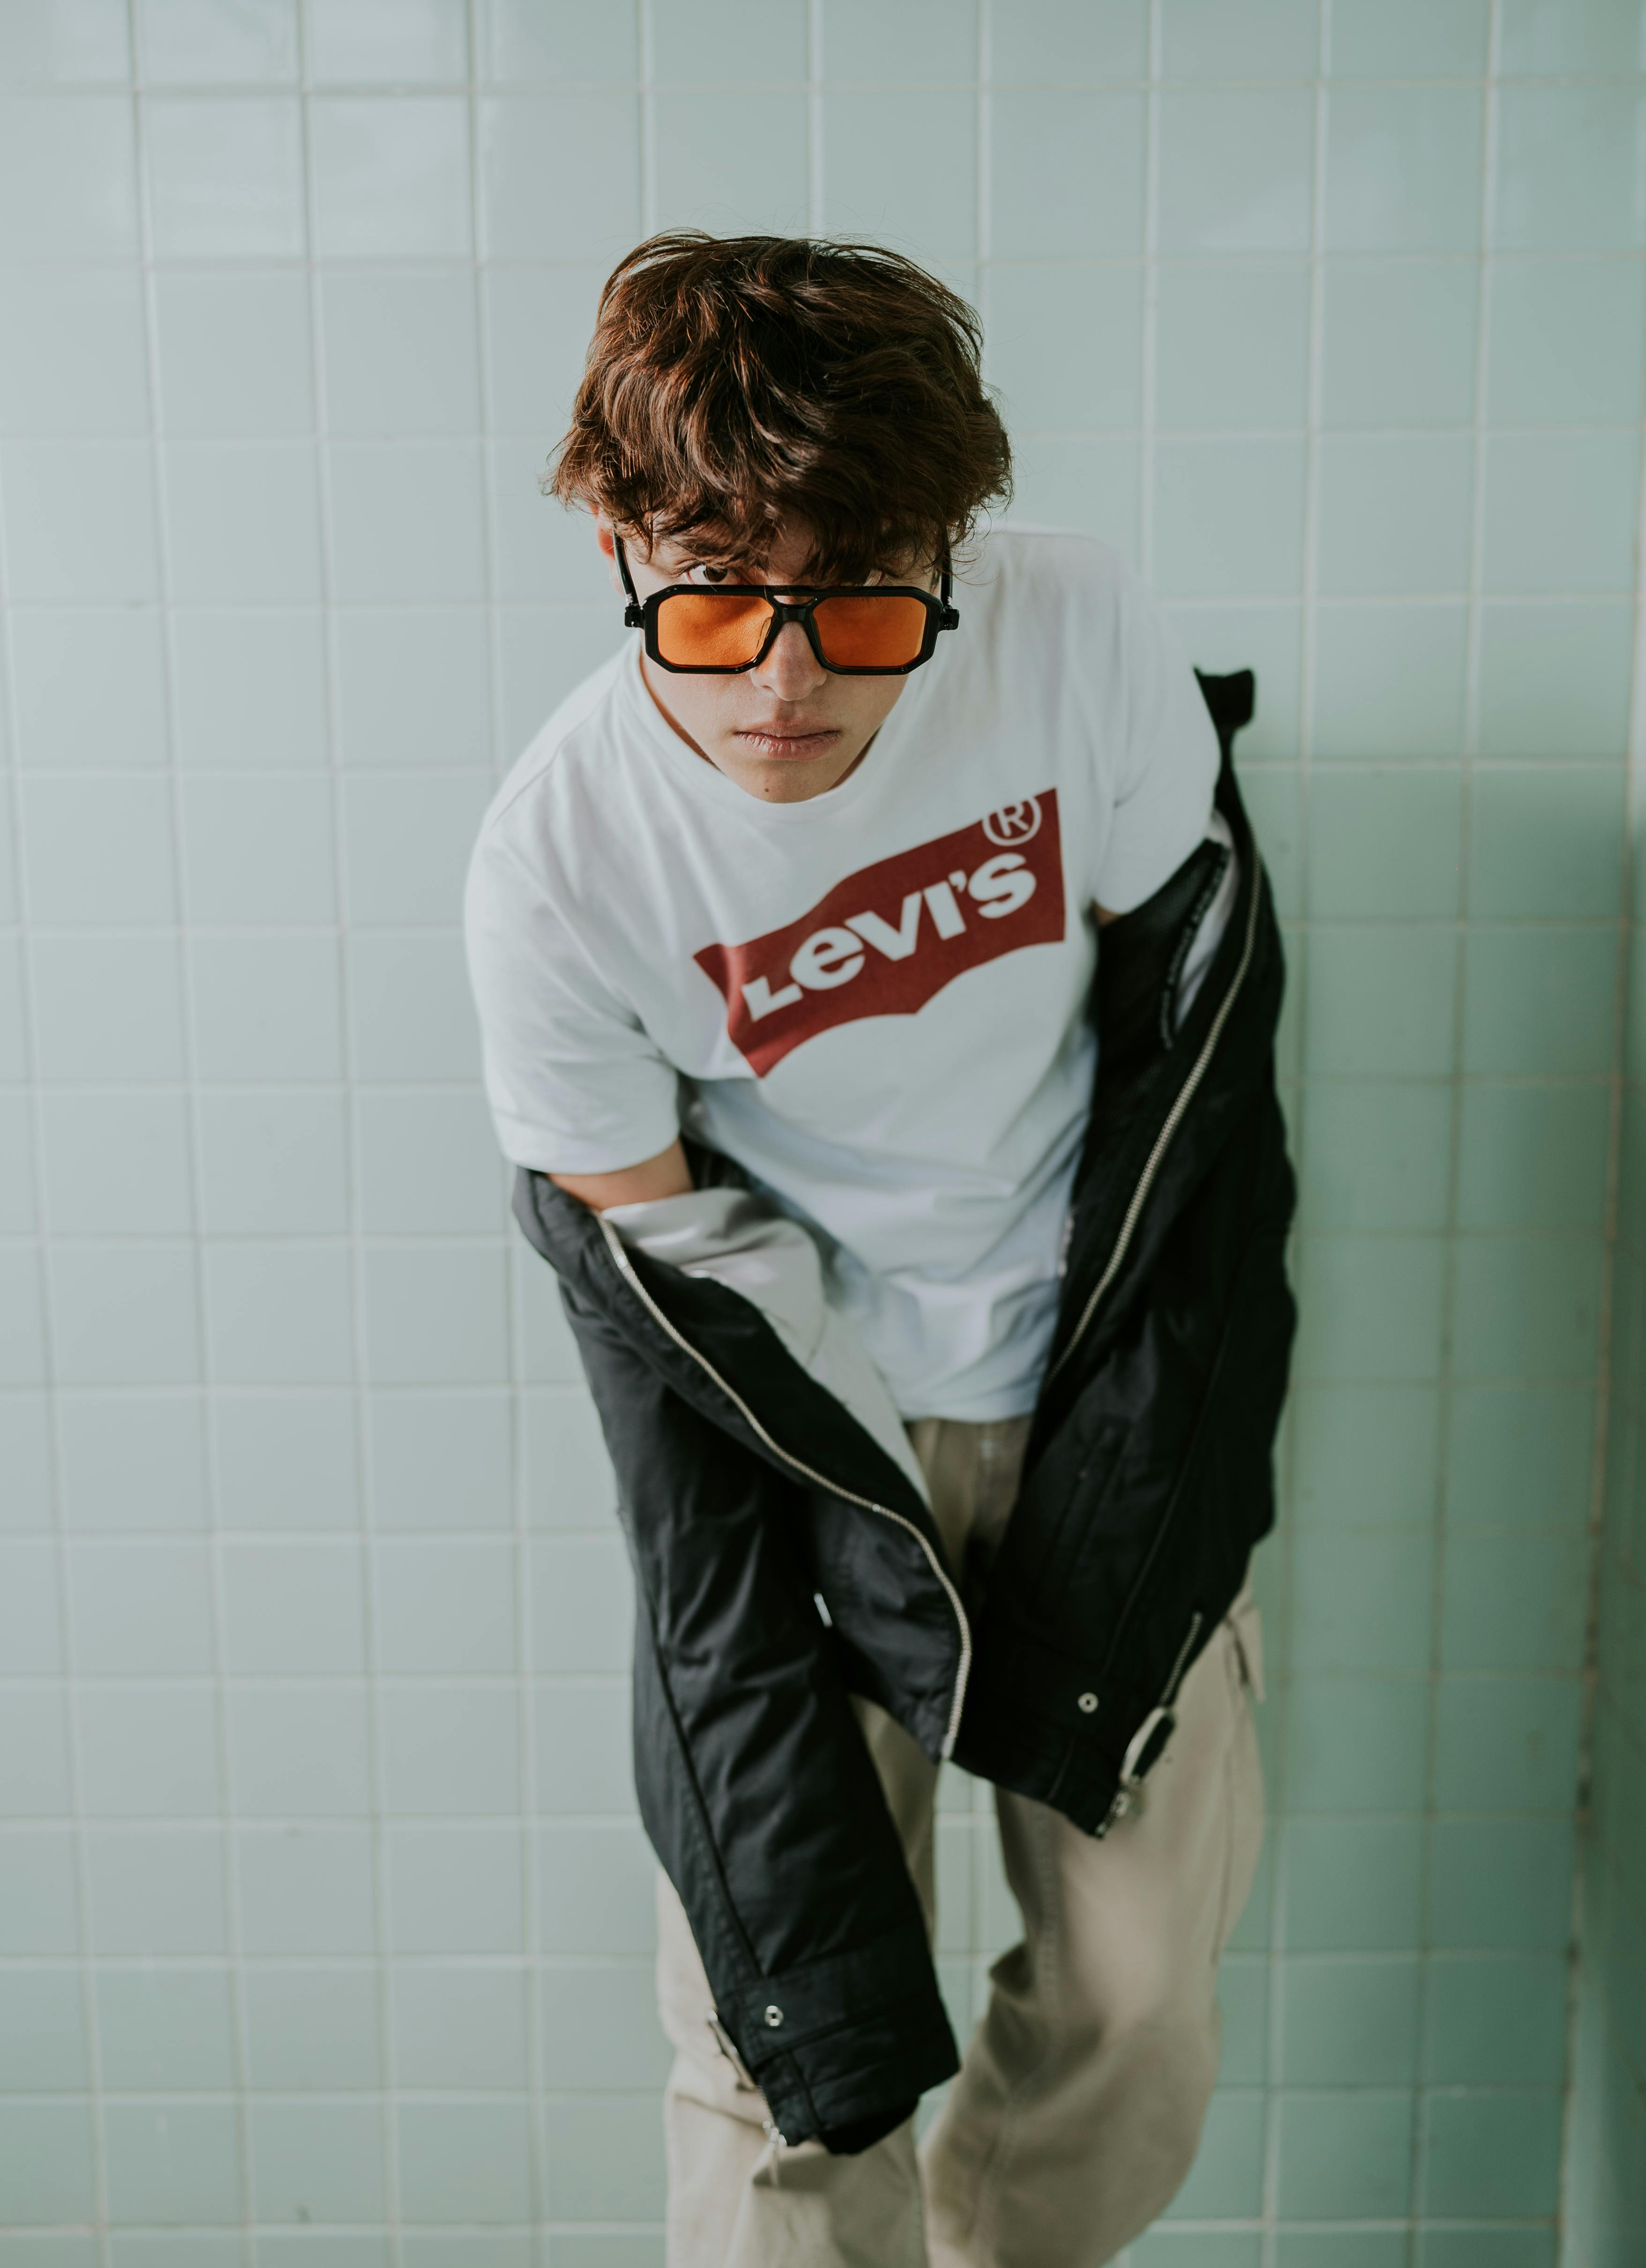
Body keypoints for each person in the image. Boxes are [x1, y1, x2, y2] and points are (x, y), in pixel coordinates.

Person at [465, 231, 1294, 2268]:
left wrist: (1138, 1409)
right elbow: (648, 1245)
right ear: (612, 542)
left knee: (1133, 1997)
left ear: (951, 540)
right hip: (788, 1436)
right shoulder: (557, 864)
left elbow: (1179, 1032)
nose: (785, 675)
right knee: (782, 2034)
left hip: (1090, 1382)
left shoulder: (1066, 632)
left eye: (857, 596)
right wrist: (865, 1504)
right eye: (716, 598)